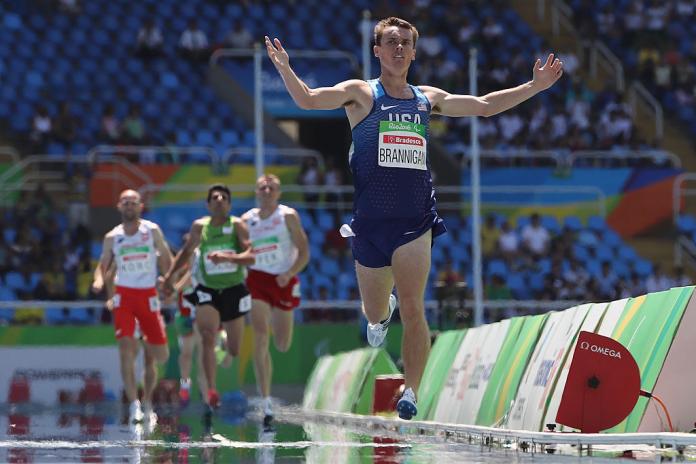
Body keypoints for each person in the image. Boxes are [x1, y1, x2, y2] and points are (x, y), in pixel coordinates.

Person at [265, 16, 563, 419]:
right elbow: (308, 99)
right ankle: (380, 313)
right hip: (370, 224)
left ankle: (412, 392)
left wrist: (534, 86)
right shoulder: (360, 93)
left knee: (414, 305)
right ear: (377, 51)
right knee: (375, 314)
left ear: (415, 52)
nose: (399, 48)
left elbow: (486, 107)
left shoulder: (426, 98)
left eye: (406, 42)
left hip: (414, 221)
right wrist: (285, 68)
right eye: (391, 42)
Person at [161, 184, 255, 410]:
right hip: (206, 290)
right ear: (208, 204)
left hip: (233, 288)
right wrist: (168, 278)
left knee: (234, 349)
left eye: (224, 197)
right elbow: (184, 254)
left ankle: (224, 346)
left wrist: (227, 258)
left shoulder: (237, 226)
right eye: (215, 197)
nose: (219, 199)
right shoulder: (198, 228)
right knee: (203, 338)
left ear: (229, 204)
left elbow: (251, 257)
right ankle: (210, 390)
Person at [92, 189, 172, 424]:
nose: (129, 206)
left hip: (148, 295)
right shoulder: (112, 237)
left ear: (140, 206)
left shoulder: (152, 231)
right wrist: (98, 280)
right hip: (124, 297)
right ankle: (134, 404)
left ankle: (148, 401)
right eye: (125, 202)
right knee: (126, 350)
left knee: (156, 355)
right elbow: (103, 265)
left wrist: (169, 282)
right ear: (119, 206)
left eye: (133, 202)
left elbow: (166, 258)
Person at [241, 174, 310, 426]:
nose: (267, 191)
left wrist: (289, 273)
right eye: (262, 188)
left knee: (281, 343)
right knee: (260, 335)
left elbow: (304, 252)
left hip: (283, 279)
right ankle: (266, 397)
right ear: (257, 192)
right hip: (257, 279)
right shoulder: (247, 220)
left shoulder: (288, 216)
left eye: (271, 188)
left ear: (278, 193)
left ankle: (267, 394)